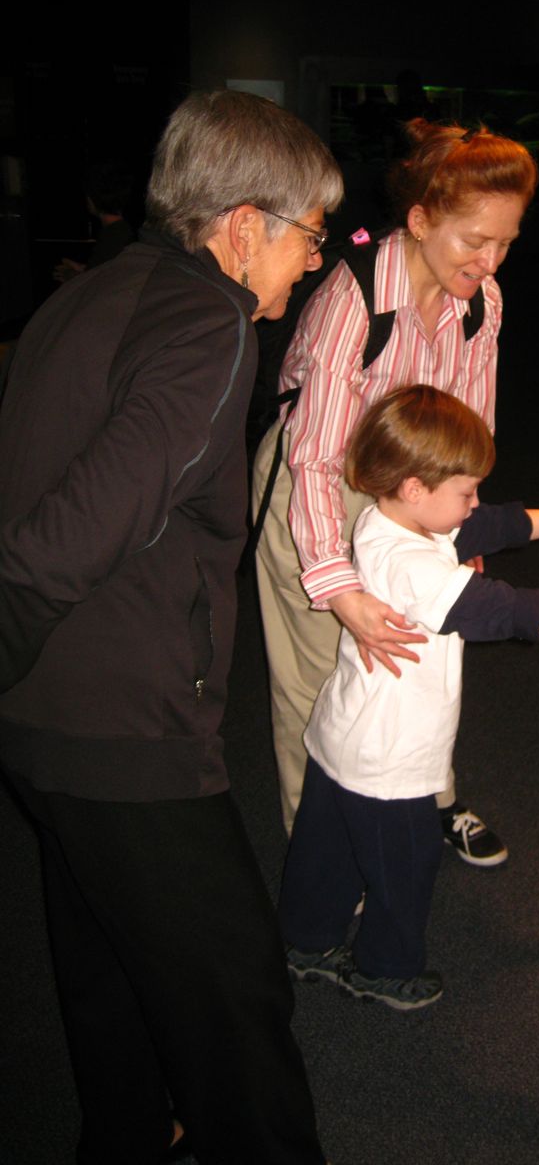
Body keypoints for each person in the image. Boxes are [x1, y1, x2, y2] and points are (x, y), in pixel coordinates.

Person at [0, 89, 342, 1165]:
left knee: (107, 973)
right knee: (237, 1008)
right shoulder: (209, 322)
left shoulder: (85, 295)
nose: (313, 265)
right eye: (310, 238)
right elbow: (68, 535)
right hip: (125, 736)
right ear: (245, 226)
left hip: (41, 728)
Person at [278, 385, 539, 1010]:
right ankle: (383, 967)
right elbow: (504, 610)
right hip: (392, 763)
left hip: (342, 738)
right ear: (414, 487)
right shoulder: (414, 566)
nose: (473, 502)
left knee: (329, 848)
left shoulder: (388, 522)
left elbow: (494, 524)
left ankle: (305, 940)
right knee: (406, 865)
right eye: (464, 490)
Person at [253, 118, 539, 865]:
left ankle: (431, 798)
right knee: (321, 680)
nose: (490, 258)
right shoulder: (353, 300)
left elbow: (468, 432)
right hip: (317, 484)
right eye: (474, 239)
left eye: (505, 240)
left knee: (422, 653)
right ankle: (317, 857)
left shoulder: (484, 301)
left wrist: (460, 528)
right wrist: (337, 584)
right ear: (419, 220)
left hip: (411, 488)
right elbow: (314, 460)